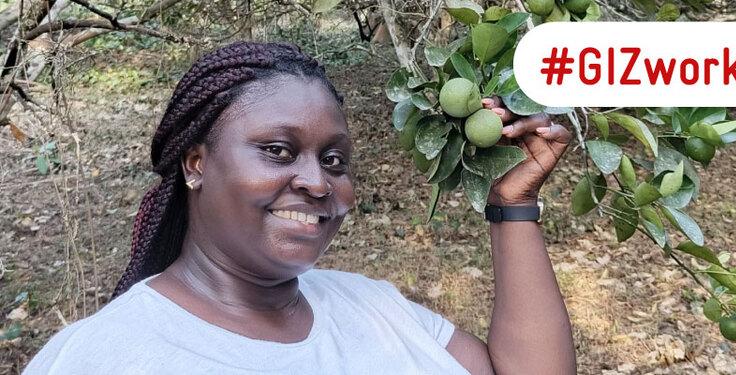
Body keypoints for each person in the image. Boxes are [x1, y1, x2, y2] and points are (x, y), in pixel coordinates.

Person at [24, 41, 575, 374]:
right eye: (277, 151)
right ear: (196, 164)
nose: (317, 182)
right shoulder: (104, 357)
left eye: (334, 160)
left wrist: (514, 203)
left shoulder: (372, 307)